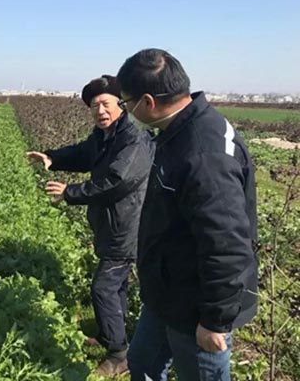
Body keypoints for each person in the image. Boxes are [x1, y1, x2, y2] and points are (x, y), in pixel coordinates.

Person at [116, 48, 259, 381]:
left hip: (197, 306)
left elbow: (226, 245)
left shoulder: (204, 154)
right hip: (169, 292)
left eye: (126, 103)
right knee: (143, 364)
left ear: (147, 102)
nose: (126, 111)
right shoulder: (179, 130)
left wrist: (214, 321)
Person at [27, 75, 153, 376]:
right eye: (94, 106)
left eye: (105, 103)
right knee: (116, 286)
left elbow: (118, 181)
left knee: (103, 287)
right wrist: (52, 158)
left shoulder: (133, 138)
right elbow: (83, 153)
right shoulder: (104, 136)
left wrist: (70, 192)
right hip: (112, 223)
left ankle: (119, 355)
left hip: (128, 226)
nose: (100, 111)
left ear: (120, 104)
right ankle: (112, 335)